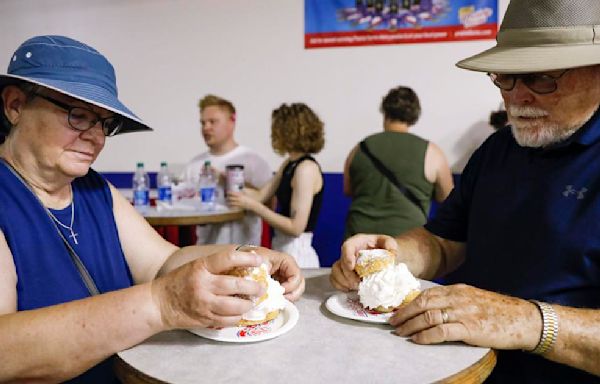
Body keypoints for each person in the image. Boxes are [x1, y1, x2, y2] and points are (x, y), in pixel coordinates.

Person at [0, 35, 304, 383]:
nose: (96, 137)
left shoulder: (95, 190)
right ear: (15, 106)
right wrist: (163, 304)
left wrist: (248, 256)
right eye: (79, 116)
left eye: (104, 123)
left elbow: (162, 262)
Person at [331, 0, 600, 382]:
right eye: (506, 76)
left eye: (542, 78)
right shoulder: (499, 149)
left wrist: (526, 322)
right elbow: (443, 243)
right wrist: (391, 256)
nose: (517, 97)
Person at [343, 86, 453, 239]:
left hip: (360, 238)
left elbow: (348, 189)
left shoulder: (360, 148)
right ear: (414, 115)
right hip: (408, 240)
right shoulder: (432, 152)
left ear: (385, 111)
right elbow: (447, 197)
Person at [228, 103, 325, 268]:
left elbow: (296, 227)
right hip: (282, 247)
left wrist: (252, 206)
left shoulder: (306, 169)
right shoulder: (290, 163)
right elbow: (260, 195)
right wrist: (231, 181)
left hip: (297, 253)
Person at [182, 94, 272, 246]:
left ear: (232, 121)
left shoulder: (253, 161)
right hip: (206, 253)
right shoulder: (194, 165)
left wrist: (230, 181)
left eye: (213, 122)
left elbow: (270, 205)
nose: (206, 128)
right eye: (203, 123)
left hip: (245, 253)